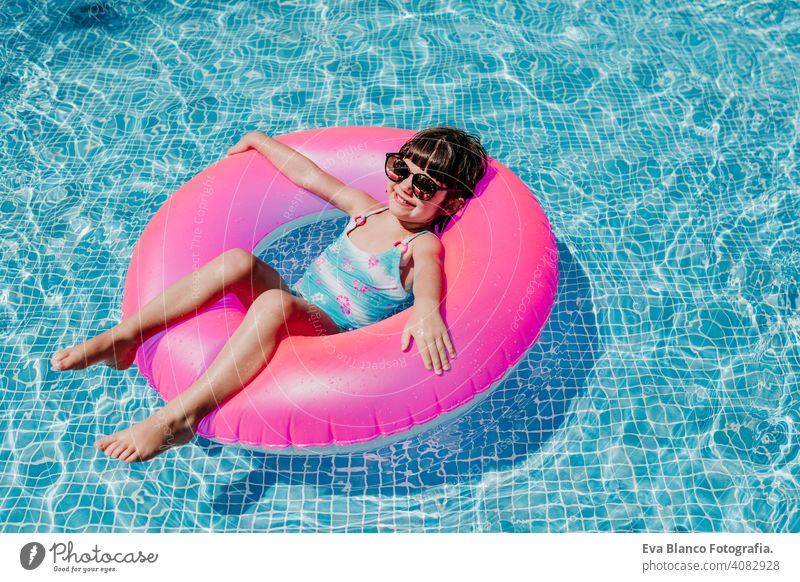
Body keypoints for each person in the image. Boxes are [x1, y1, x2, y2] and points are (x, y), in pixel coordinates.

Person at [50, 126, 489, 463]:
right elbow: (310, 175)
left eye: (425, 186)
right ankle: (125, 337)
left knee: (275, 303)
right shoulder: (366, 208)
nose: (406, 187)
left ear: (448, 206)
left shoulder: (418, 245)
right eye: (401, 170)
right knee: (239, 261)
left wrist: (428, 309)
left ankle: (178, 419)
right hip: (298, 299)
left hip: (330, 332)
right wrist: (261, 140)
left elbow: (430, 273)